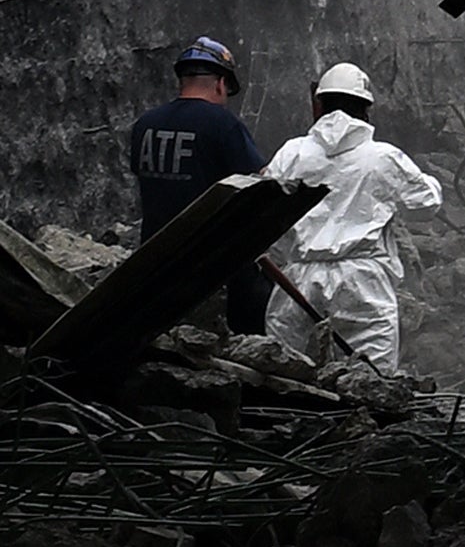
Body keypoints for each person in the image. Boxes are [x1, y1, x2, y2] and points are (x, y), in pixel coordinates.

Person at [260, 63, 443, 375]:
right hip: (363, 280)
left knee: (284, 375)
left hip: (300, 278)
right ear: (365, 109)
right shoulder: (383, 157)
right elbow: (427, 203)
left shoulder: (292, 152)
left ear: (319, 106)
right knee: (372, 378)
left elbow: (262, 202)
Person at [128, 37, 267, 333]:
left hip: (153, 260)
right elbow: (258, 185)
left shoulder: (145, 124)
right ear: (220, 83)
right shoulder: (223, 124)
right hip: (212, 265)